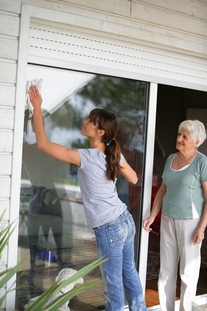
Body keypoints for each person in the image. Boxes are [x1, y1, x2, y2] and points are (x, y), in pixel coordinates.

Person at [28, 85, 146, 311]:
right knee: (129, 272)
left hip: (109, 227)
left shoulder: (88, 157)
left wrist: (37, 108)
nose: (85, 121)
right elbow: (133, 178)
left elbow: (42, 144)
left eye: (90, 120)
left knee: (113, 284)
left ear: (100, 132)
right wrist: (117, 163)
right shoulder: (113, 154)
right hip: (124, 220)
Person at [143, 120, 207, 311]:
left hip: (190, 222)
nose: (179, 139)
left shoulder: (202, 162)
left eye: (184, 136)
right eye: (179, 134)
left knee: (188, 272)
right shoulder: (171, 158)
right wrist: (153, 216)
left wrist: (201, 228)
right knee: (166, 271)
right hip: (168, 219)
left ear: (196, 141)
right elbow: (163, 189)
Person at [22, 109, 73, 292]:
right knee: (37, 256)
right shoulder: (32, 149)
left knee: (58, 255)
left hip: (55, 203)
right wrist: (29, 117)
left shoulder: (53, 148)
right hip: (43, 203)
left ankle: (63, 295)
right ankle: (35, 294)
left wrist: (29, 118)